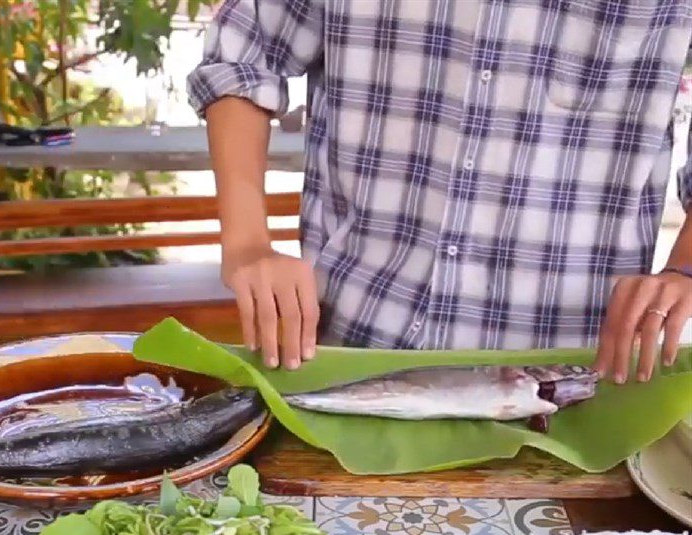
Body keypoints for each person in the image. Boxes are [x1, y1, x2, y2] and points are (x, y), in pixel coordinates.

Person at [188, 1, 692, 384]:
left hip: (570, 374)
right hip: (351, 350)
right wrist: (248, 243)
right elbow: (245, 50)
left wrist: (684, 266)